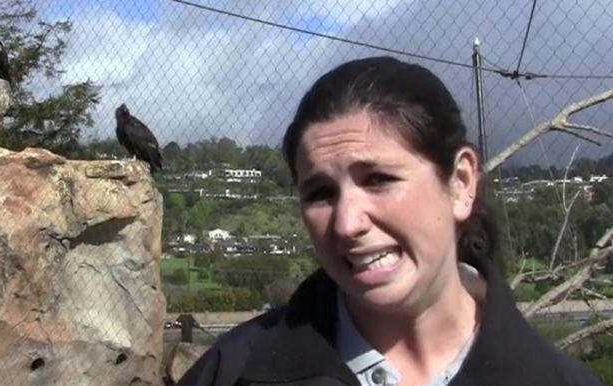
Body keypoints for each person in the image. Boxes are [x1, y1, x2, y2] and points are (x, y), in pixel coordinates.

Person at [176, 56, 605, 386]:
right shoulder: (236, 372)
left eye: (378, 179)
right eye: (321, 193)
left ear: (460, 183)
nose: (347, 224)